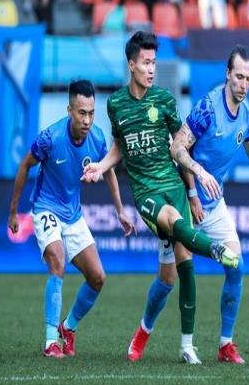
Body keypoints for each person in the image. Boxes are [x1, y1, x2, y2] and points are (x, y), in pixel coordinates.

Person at [81, 31, 239, 364]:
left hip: (174, 186)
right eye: (146, 63)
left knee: (175, 274)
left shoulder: (164, 100)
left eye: (154, 62)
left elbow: (180, 147)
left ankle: (181, 344)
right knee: (171, 220)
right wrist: (101, 166)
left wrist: (192, 192)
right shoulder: (116, 104)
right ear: (131, 65)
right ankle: (214, 249)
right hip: (146, 193)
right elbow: (120, 146)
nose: (152, 69)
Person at [8, 79, 135, 358]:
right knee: (57, 259)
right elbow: (25, 166)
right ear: (69, 110)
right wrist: (14, 211)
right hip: (45, 208)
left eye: (91, 113)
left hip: (73, 215)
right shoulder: (50, 138)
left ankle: (68, 327)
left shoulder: (97, 138)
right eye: (81, 113)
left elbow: (109, 171)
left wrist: (120, 210)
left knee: (98, 277)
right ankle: (50, 341)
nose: (87, 120)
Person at [170, 44, 249, 364]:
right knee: (169, 279)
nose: (244, 84)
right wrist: (194, 189)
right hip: (183, 200)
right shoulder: (208, 107)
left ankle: (225, 345)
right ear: (227, 74)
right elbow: (178, 149)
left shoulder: (245, 112)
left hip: (214, 204)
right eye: (239, 77)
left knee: (236, 266)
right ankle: (149, 336)